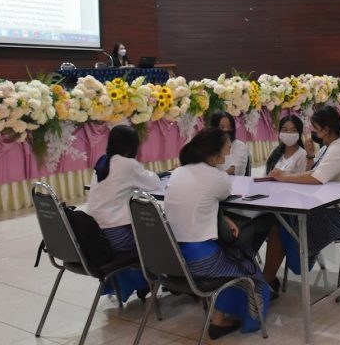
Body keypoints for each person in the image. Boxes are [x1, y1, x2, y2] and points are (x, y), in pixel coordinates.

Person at [164, 128, 271, 339]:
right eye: (226, 150)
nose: (228, 154)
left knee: (230, 255)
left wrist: (222, 218)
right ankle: (224, 320)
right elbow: (222, 195)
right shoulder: (217, 177)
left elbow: (199, 204)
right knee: (246, 265)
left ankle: (218, 314)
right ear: (214, 154)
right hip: (201, 261)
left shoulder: (178, 172)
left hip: (171, 258)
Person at [263, 106, 340, 280]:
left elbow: (316, 178)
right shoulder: (328, 148)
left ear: (326, 129)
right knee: (278, 222)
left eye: (316, 128)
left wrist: (284, 177)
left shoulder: (339, 148)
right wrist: (308, 158)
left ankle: (274, 275)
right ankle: (268, 279)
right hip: (332, 206)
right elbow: (313, 173)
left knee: (281, 224)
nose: (313, 132)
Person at [87, 125, 160, 302]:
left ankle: (137, 284)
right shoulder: (127, 164)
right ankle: (155, 282)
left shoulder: (103, 161)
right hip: (115, 237)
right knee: (161, 239)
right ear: (132, 146)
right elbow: (153, 183)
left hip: (95, 235)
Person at [209, 111, 250, 175]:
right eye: (222, 127)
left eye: (229, 127)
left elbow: (235, 170)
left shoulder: (239, 146)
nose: (226, 130)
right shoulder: (209, 146)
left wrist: (216, 178)